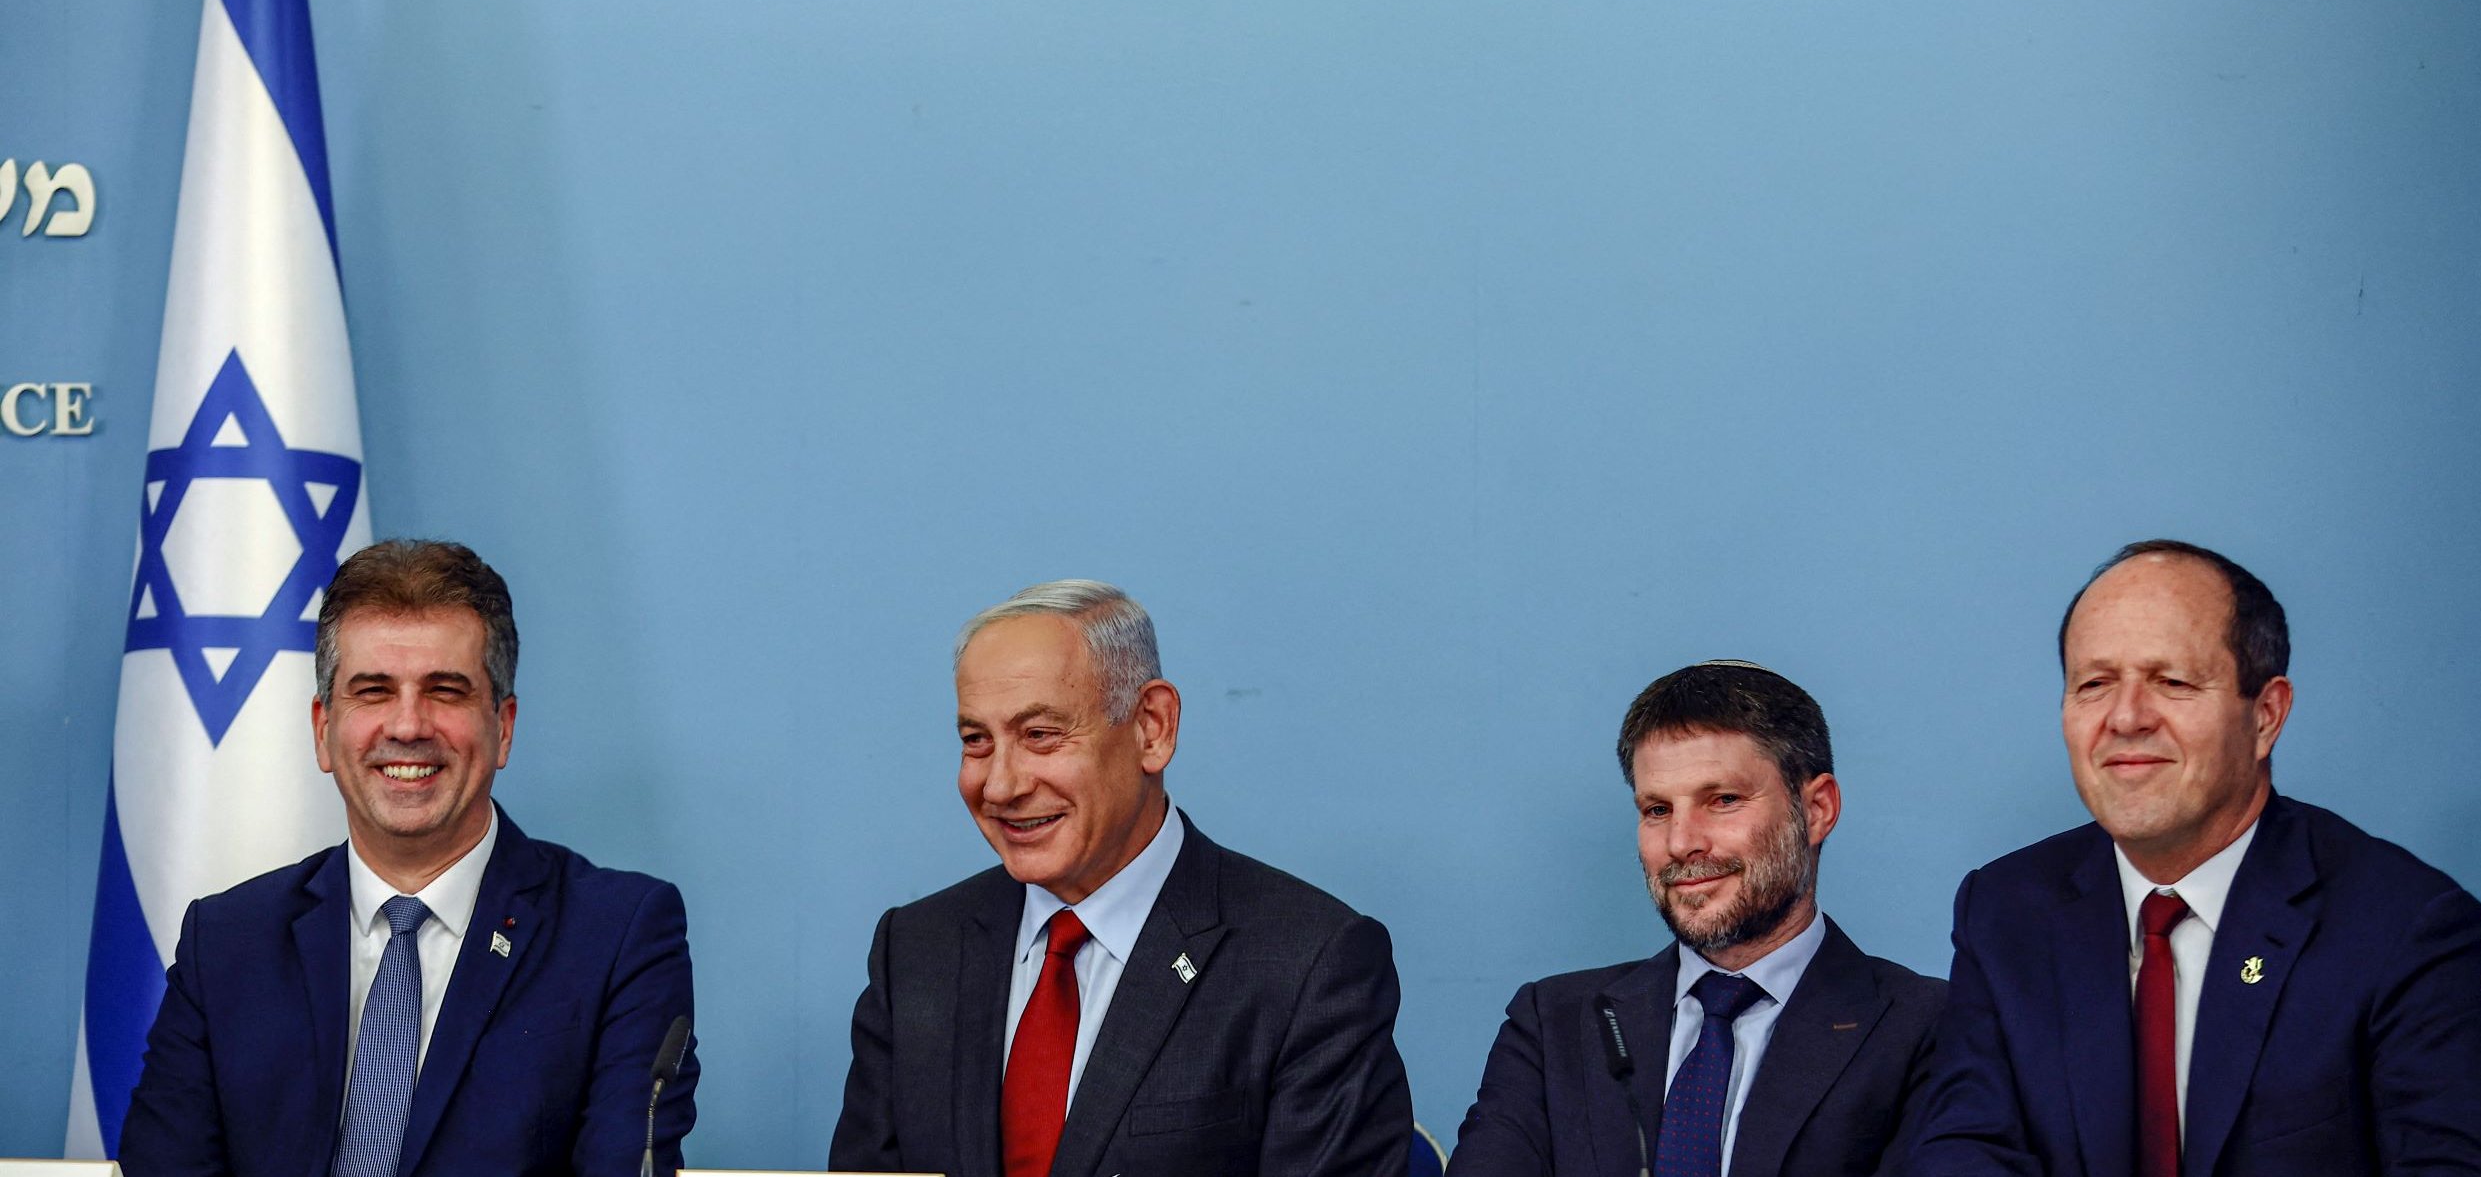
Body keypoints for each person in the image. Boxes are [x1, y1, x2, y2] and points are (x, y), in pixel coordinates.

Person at [1908, 539, 2481, 1175]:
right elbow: (1963, 1148)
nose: (2126, 718)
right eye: (2095, 684)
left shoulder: (2402, 922)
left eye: (2172, 682)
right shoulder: (2005, 909)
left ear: (2266, 715)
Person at [119, 540, 697, 1177]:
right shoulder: (227, 942)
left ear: (503, 727)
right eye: (373, 691)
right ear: (323, 730)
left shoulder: (616, 935)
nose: (408, 726)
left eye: (445, 691)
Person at [828, 579, 1413, 1177]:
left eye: (1040, 735)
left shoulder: (1307, 962)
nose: (1000, 785)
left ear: (1151, 728)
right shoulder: (916, 950)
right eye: (977, 740)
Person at [1447, 660, 1944, 1177]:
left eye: (1724, 800)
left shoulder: (1926, 1027)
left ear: (1817, 809)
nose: (1682, 843)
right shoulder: (1555, 1024)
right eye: (1657, 810)